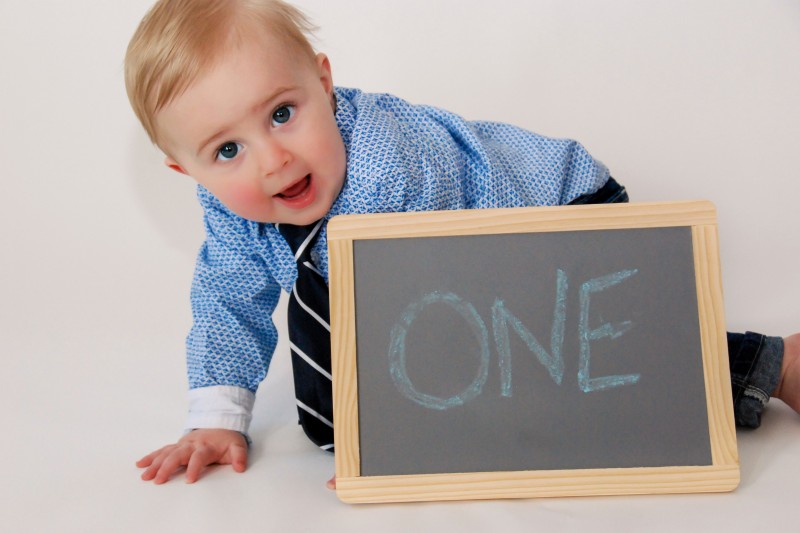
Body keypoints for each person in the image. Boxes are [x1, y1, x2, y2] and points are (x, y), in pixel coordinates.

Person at [125, 0, 800, 486]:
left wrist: (395, 445)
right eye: (228, 149)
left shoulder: (390, 169)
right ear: (189, 170)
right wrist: (215, 417)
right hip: (464, 280)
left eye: (282, 113)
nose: (272, 158)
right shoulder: (229, 210)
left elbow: (444, 313)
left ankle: (773, 365)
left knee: (593, 374)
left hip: (556, 211)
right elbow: (226, 302)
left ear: (324, 83)